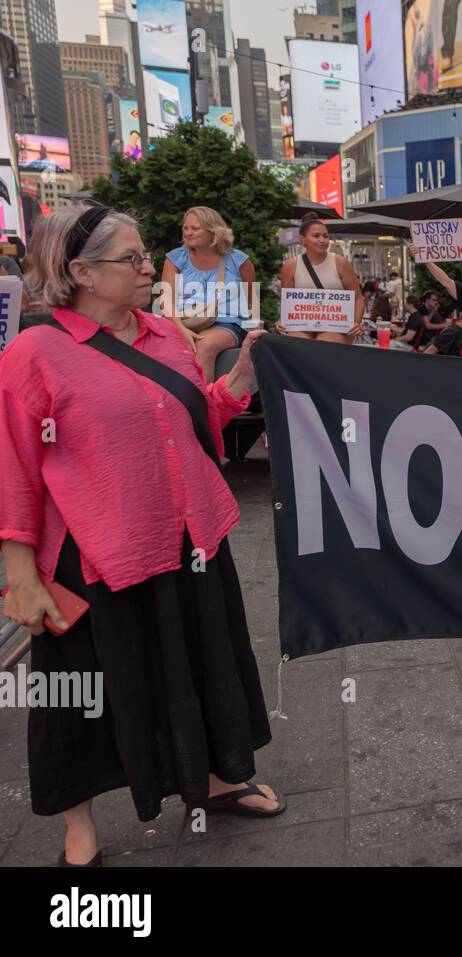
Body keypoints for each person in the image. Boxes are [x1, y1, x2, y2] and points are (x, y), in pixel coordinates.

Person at [0, 205, 283, 867]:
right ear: (81, 272)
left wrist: (240, 377)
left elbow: (192, 421)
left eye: (144, 254)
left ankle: (213, 778)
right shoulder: (34, 354)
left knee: (204, 661)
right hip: (96, 552)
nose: (149, 267)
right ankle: (79, 827)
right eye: (131, 259)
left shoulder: (166, 335)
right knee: (80, 698)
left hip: (190, 538)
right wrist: (20, 573)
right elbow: (13, 467)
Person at [159, 206, 257, 382]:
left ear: (213, 231)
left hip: (226, 323)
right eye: (185, 228)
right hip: (183, 320)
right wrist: (181, 329)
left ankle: (203, 406)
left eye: (195, 228)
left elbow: (252, 302)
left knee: (204, 345)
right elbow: (165, 300)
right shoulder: (175, 258)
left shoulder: (238, 260)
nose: (188, 232)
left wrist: (254, 332)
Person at [277, 213, 363, 343]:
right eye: (316, 236)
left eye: (325, 236)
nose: (322, 240)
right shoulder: (290, 266)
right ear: (303, 239)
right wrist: (282, 322)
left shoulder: (341, 263)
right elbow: (287, 303)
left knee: (326, 344)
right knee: (295, 343)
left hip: (336, 327)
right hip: (301, 325)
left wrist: (356, 323)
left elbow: (358, 299)